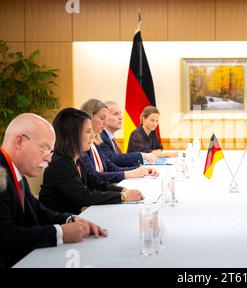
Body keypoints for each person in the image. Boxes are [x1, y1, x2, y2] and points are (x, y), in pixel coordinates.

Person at [0, 113, 108, 267]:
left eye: (50, 152)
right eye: (44, 149)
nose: (49, 158)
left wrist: (69, 220)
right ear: (19, 141)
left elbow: (37, 210)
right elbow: (5, 236)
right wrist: (60, 233)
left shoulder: (13, 170)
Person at [39, 108, 144, 214]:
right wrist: (122, 196)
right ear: (73, 135)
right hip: (59, 224)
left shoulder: (75, 159)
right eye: (88, 131)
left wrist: (122, 190)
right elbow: (85, 196)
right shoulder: (60, 164)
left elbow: (96, 184)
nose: (93, 136)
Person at [79, 99, 158, 183]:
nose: (105, 122)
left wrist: (140, 170)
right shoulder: (84, 145)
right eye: (102, 118)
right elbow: (94, 176)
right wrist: (122, 193)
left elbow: (111, 167)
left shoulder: (97, 143)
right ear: (89, 118)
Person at [100, 101, 158, 167]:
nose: (121, 118)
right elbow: (114, 159)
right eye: (116, 114)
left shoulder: (110, 137)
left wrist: (139, 168)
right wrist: (142, 155)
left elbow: (119, 162)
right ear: (103, 118)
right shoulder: (101, 137)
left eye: (120, 114)